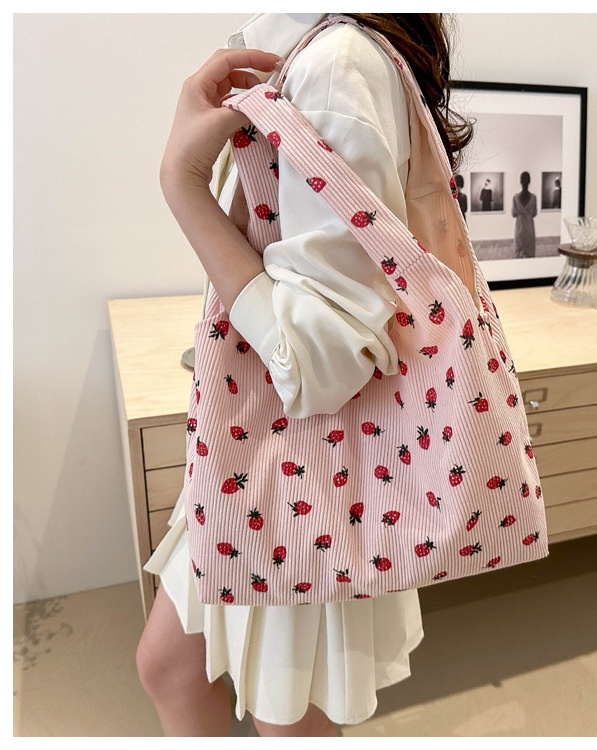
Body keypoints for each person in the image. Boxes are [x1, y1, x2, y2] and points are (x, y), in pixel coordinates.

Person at [135, 13, 472, 737]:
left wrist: (182, 184)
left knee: (285, 716)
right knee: (172, 669)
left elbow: (318, 362)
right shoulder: (306, 50)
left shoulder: (334, 63)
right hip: (256, 445)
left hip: (307, 466)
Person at [512, 171, 537, 258]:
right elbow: (534, 213)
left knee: (518, 252)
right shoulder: (533, 197)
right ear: (529, 181)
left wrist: (520, 213)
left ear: (520, 181)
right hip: (529, 227)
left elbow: (513, 213)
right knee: (530, 252)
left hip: (519, 226)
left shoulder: (515, 197)